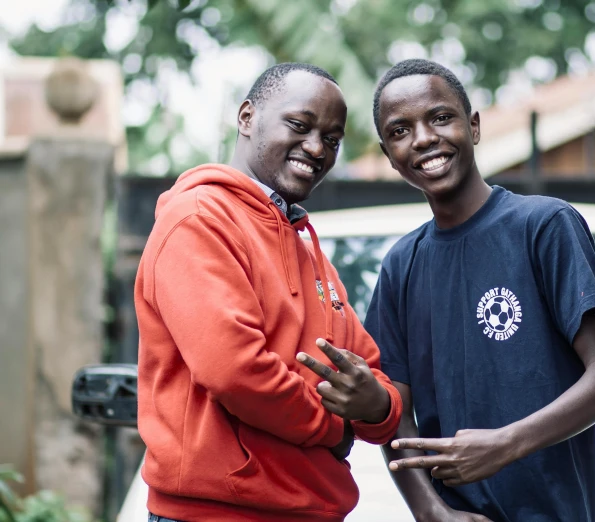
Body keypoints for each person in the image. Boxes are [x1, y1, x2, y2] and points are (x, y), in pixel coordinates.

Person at [365, 58, 595, 522]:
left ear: (473, 126)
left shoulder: (544, 226)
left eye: (440, 117)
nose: (424, 138)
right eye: (400, 130)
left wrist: (505, 445)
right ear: (390, 155)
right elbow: (394, 412)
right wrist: (431, 512)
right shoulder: (401, 265)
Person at [135, 63, 402, 522]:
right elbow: (235, 372)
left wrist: (379, 408)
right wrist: (333, 428)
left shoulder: (303, 243)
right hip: (218, 514)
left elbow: (368, 371)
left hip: (313, 510)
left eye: (333, 139)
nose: (317, 148)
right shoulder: (199, 219)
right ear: (246, 117)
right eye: (299, 125)